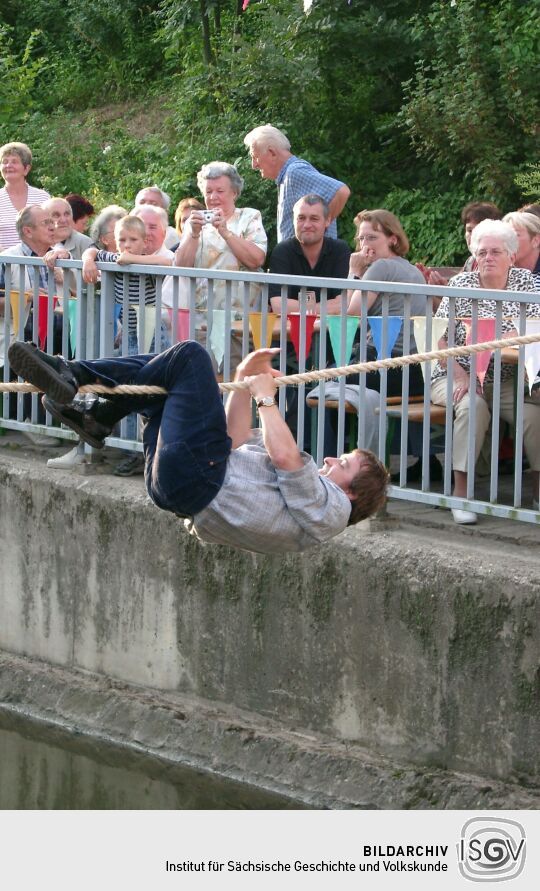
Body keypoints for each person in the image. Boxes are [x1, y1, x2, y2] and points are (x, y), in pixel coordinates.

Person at [7, 340, 389, 554]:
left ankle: (79, 384)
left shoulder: (333, 509)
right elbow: (235, 438)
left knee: (191, 357)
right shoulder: (309, 504)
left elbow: (287, 456)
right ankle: (94, 410)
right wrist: (243, 378)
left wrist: (265, 400)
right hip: (172, 486)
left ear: (353, 491)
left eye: (344, 463)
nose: (329, 459)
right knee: (160, 382)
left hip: (199, 478)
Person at [430, 219, 540, 525]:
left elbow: (535, 331)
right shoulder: (461, 286)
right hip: (454, 371)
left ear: (511, 256)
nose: (487, 258)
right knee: (473, 406)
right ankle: (461, 493)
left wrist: (508, 339)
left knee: (532, 414)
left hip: (506, 376)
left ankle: (537, 491)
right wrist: (461, 376)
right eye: (481, 252)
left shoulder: (527, 284)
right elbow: (437, 339)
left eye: (495, 252)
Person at [174, 161, 267, 371]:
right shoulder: (193, 223)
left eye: (220, 190)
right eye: (208, 191)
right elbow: (180, 267)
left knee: (234, 383)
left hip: (239, 322)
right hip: (200, 322)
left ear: (234, 192)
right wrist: (193, 234)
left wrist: (226, 232)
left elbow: (256, 259)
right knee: (200, 380)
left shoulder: (249, 217)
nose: (213, 197)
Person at [0, 205, 67, 445]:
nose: (53, 226)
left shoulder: (63, 256)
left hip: (60, 325)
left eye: (53, 221)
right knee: (31, 363)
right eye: (46, 222)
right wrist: (22, 296)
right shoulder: (8, 257)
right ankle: (32, 422)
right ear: (28, 230)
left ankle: (59, 422)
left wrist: (67, 275)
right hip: (24, 327)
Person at [244, 125, 350, 242]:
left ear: (272, 153)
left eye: (255, 157)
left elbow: (341, 191)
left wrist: (317, 233)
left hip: (311, 260)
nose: (253, 165)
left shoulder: (294, 172)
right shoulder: (287, 176)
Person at [268, 194, 351, 313]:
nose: (307, 225)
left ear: (327, 221)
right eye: (301, 218)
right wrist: (323, 308)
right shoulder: (282, 251)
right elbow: (278, 306)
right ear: (293, 220)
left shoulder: (339, 250)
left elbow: (343, 303)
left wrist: (298, 308)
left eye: (314, 218)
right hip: (291, 329)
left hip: (329, 330)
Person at [0, 142, 50, 251]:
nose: (8, 165)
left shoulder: (43, 198)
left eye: (14, 162)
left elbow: (53, 231)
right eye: (5, 162)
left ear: (26, 169)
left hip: (39, 264)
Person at [134, 185, 177, 249]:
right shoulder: (124, 231)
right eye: (142, 202)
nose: (146, 206)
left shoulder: (172, 236)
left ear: (165, 211)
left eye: (153, 204)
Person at [502, 211, 540, 282]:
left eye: (515, 235)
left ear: (535, 241)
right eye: (504, 236)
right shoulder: (499, 271)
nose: (506, 241)